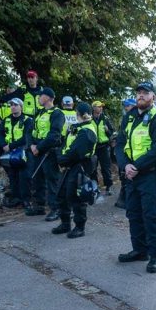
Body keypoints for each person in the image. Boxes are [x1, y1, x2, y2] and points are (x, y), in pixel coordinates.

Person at [116, 82, 156, 273]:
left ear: (153, 97)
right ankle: (140, 250)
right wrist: (125, 165)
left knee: (151, 215)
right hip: (131, 175)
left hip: (150, 176)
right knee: (133, 213)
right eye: (138, 93)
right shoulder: (129, 117)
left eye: (145, 93)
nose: (141, 96)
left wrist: (136, 166)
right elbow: (120, 143)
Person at [53, 101, 98, 238]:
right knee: (61, 194)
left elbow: (76, 152)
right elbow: (66, 145)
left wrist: (61, 159)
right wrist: (61, 155)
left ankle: (79, 227)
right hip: (69, 165)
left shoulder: (87, 130)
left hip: (79, 166)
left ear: (81, 114)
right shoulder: (78, 127)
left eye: (77, 113)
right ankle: (65, 223)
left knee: (76, 197)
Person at [27, 86, 65, 220]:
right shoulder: (39, 112)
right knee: (38, 178)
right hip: (36, 150)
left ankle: (56, 209)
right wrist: (31, 145)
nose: (38, 98)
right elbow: (30, 130)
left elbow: (54, 135)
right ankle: (39, 206)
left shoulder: (57, 113)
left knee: (52, 180)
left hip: (49, 151)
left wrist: (39, 148)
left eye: (40, 95)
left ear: (48, 97)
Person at [0, 98, 32, 208]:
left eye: (15, 105)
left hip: (22, 151)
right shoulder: (6, 120)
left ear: (21, 107)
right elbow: (0, 134)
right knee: (12, 176)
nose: (12, 107)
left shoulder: (28, 120)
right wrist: (3, 145)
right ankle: (16, 198)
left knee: (23, 176)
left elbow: (26, 137)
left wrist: (10, 146)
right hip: (9, 152)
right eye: (11, 105)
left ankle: (25, 200)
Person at [114, 97, 137, 209]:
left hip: (133, 153)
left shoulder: (137, 118)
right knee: (123, 177)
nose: (125, 108)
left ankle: (126, 200)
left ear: (133, 106)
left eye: (127, 106)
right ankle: (123, 199)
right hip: (124, 152)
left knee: (128, 178)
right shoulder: (126, 118)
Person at [91, 101, 115, 196]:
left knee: (106, 168)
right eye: (99, 106)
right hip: (93, 147)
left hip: (104, 147)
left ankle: (109, 187)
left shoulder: (105, 119)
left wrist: (107, 130)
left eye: (101, 107)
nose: (101, 108)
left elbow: (111, 133)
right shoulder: (89, 118)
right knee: (92, 168)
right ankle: (95, 187)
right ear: (93, 108)